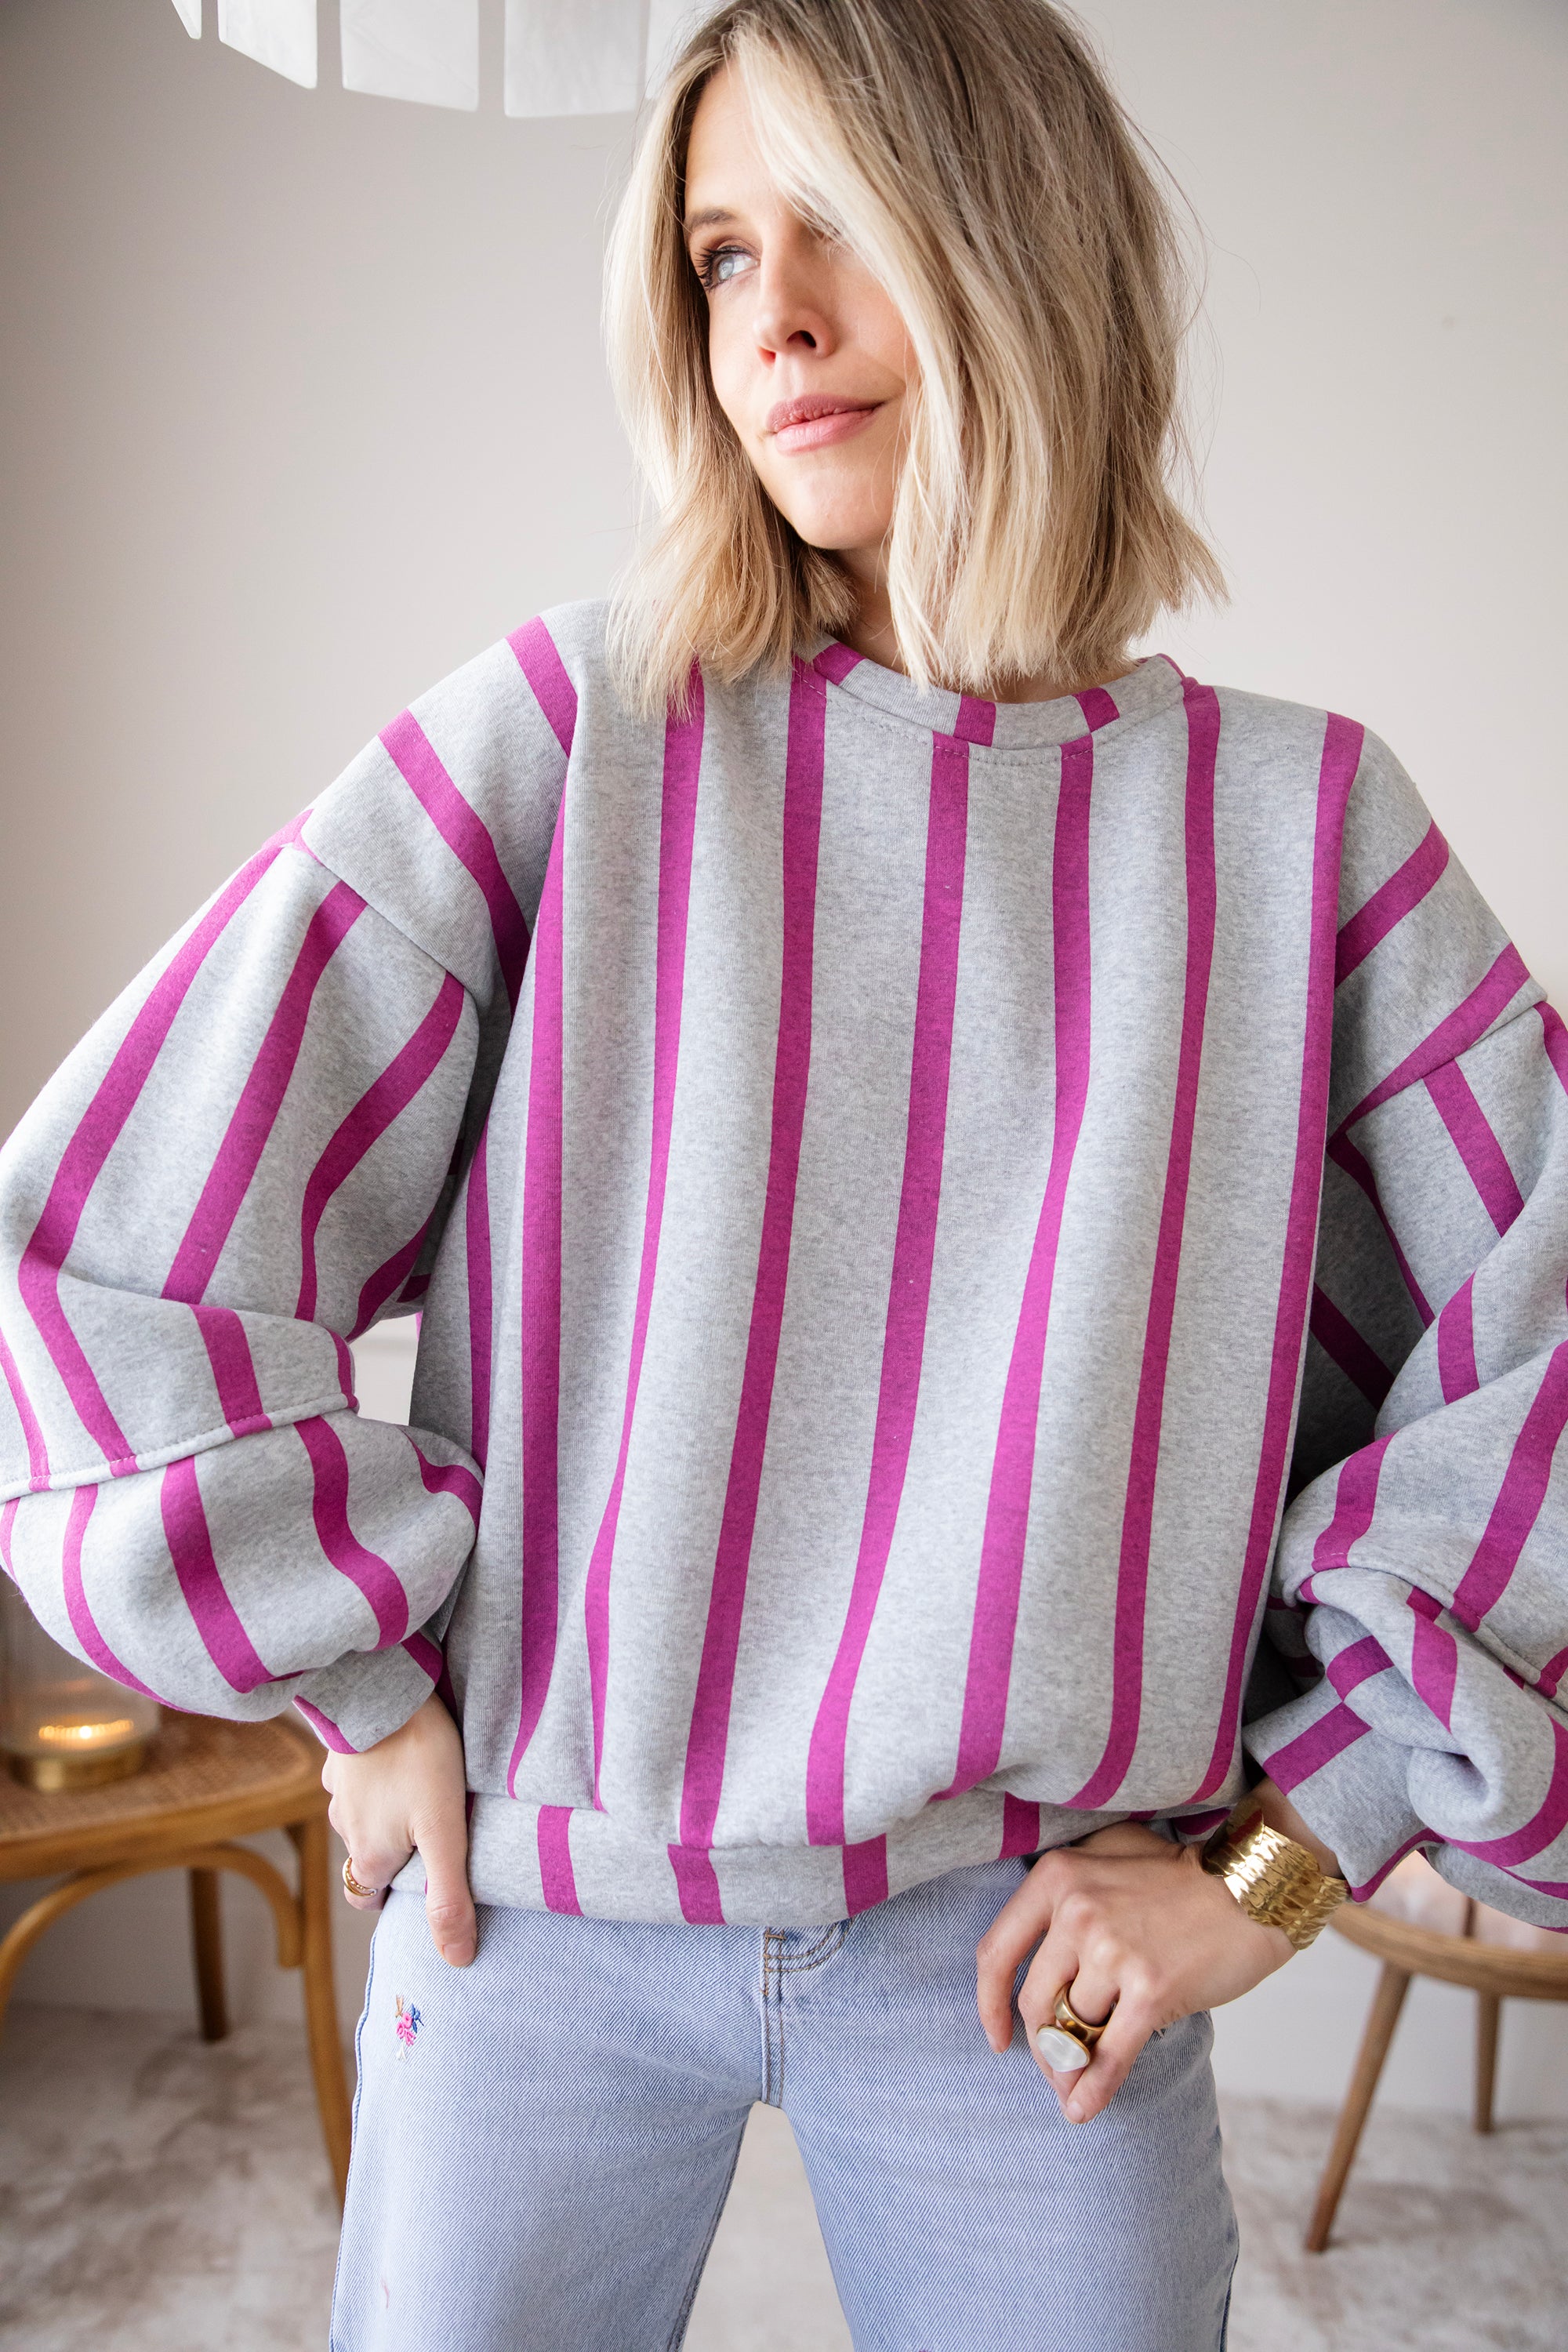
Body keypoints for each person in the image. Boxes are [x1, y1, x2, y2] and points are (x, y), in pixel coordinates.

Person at [2, 2, 1564, 2346]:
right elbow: (107, 1234)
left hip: (1029, 1960)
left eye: (839, 223)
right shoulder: (574, 732)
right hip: (528, 1921)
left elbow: (1543, 1363)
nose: (775, 324)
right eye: (723, 253)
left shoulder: (1301, 832)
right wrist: (360, 1686)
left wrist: (1276, 1857)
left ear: (1021, 242)